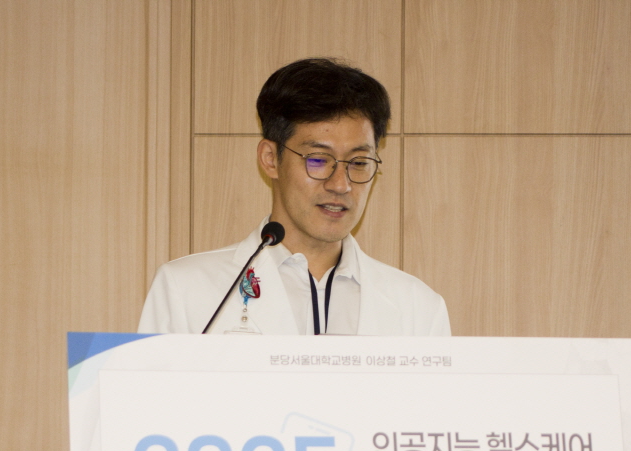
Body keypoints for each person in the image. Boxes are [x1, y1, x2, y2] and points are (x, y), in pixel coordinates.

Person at [138, 57, 449, 336]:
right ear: (270, 159)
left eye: (358, 163)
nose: (340, 184)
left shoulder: (418, 308)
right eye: (318, 160)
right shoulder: (185, 289)